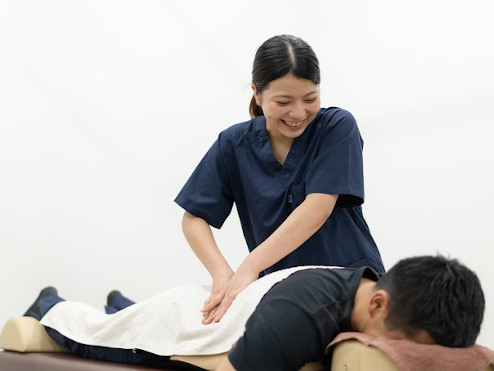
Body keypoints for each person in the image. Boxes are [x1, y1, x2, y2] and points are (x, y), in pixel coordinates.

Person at [175, 34, 385, 325]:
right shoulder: (234, 144)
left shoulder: (337, 127)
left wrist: (249, 267)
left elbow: (317, 208)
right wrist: (222, 273)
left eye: (310, 99)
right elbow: (193, 218)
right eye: (283, 102)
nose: (298, 113)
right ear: (257, 95)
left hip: (351, 284)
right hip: (281, 296)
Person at [24, 255, 485, 370]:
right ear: (379, 304)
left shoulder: (374, 287)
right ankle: (50, 301)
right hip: (190, 322)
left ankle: (122, 301)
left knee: (143, 306)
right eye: (408, 351)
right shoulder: (303, 314)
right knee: (96, 334)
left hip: (225, 302)